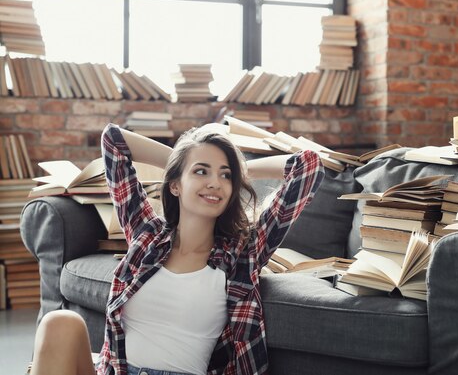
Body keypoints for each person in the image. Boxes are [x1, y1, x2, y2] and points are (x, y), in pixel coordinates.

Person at [28, 122, 325, 375]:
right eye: (201, 172)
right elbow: (114, 140)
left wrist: (236, 167)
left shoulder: (243, 254)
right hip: (117, 368)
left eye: (225, 175)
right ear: (174, 185)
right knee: (60, 322)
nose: (215, 183)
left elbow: (308, 166)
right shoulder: (147, 236)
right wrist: (183, 159)